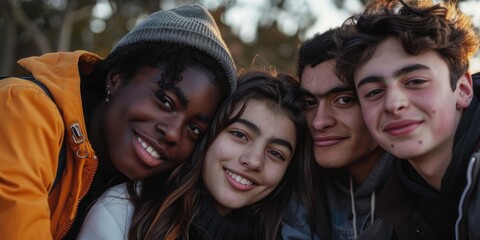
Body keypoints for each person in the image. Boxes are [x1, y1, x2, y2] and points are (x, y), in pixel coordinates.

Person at [0, 4, 237, 239]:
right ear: (116, 79)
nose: (174, 134)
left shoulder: (144, 195)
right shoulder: (24, 108)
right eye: (165, 102)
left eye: (194, 128)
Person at [76, 70, 316, 239]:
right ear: (209, 136)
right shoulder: (124, 213)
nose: (253, 161)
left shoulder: (290, 234)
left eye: (276, 153)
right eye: (240, 135)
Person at [335, 0, 480, 239]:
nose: (394, 104)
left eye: (415, 81)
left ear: (463, 90)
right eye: (374, 92)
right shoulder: (382, 229)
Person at [282, 27, 397, 240]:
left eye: (343, 100)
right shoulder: (299, 176)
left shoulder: (423, 177)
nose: (319, 122)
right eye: (309, 103)